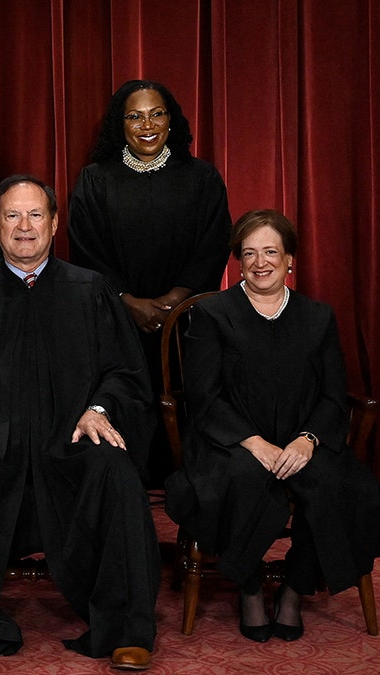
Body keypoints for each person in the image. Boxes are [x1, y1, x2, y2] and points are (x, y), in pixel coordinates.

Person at [0, 176, 159, 670]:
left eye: (36, 215)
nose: (25, 227)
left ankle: (126, 628)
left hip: (70, 441)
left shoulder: (91, 292)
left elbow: (125, 373)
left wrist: (99, 409)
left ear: (55, 223)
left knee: (116, 471)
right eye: (13, 217)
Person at [164, 209, 380, 643]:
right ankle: (248, 588)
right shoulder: (212, 315)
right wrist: (254, 443)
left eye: (271, 251)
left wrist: (308, 440)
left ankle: (294, 588)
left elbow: (332, 395)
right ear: (237, 261)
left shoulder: (318, 317)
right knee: (243, 480)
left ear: (290, 260)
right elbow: (204, 397)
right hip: (231, 442)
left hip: (303, 439)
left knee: (341, 487)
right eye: (249, 253)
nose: (260, 262)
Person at [67, 79, 231, 482]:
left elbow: (214, 243)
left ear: (171, 120)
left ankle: (189, 476)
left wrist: (175, 299)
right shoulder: (96, 179)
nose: (147, 124)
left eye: (157, 113)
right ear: (119, 125)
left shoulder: (201, 178)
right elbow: (85, 248)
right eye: (135, 116)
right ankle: (126, 475)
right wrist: (128, 301)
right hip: (115, 317)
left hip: (187, 321)